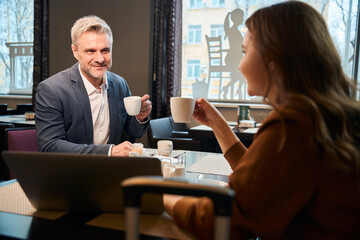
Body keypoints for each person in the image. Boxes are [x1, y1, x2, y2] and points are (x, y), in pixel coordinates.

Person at [164, 1, 360, 239]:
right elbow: (265, 179)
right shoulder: (327, 116)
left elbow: (227, 222)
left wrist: (167, 198)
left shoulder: (293, 125)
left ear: (272, 59)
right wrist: (217, 124)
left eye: (245, 52)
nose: (239, 63)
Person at [35, 15, 152, 156]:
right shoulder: (51, 90)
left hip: (112, 171)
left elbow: (134, 131)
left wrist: (139, 118)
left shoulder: (120, 84)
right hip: (71, 172)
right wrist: (109, 152)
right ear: (75, 51)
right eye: (91, 51)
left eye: (105, 50)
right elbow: (50, 146)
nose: (100, 59)